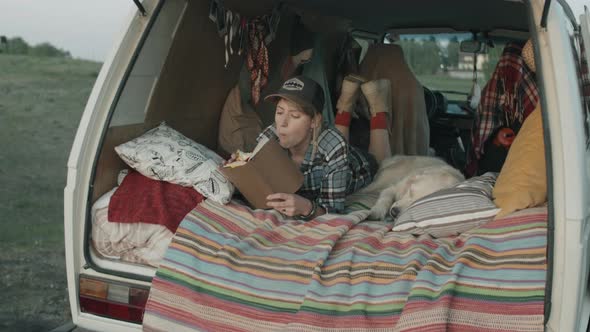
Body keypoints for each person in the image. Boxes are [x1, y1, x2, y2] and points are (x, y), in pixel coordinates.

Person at [229, 75, 392, 219]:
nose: (282, 124)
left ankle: (376, 109)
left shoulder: (334, 147)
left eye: (294, 116)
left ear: (314, 121)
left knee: (381, 162)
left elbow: (333, 212)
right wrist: (239, 172)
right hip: (327, 144)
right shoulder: (270, 136)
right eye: (279, 112)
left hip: (359, 166)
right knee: (334, 139)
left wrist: (307, 207)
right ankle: (345, 105)